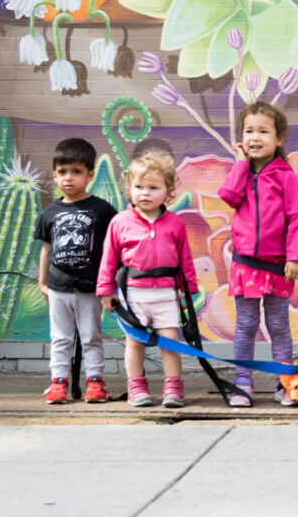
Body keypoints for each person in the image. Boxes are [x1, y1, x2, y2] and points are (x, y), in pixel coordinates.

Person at [218, 102, 298, 408]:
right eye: (249, 131)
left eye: (263, 131)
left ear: (279, 138)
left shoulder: (287, 178)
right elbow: (229, 196)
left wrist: (296, 257)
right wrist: (240, 164)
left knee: (279, 325)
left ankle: (285, 383)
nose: (255, 137)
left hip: (278, 267)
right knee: (245, 326)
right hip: (245, 266)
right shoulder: (240, 173)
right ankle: (242, 382)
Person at [96, 152, 198, 408]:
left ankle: (173, 388)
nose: (145, 193)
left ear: (168, 191)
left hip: (166, 294)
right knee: (135, 342)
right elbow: (108, 257)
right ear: (129, 188)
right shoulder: (120, 222)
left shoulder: (175, 224)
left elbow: (185, 259)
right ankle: (137, 387)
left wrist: (190, 289)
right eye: (139, 187)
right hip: (134, 295)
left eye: (153, 187)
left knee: (170, 342)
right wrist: (106, 289)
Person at [34, 138, 117, 404]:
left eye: (76, 172)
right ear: (54, 175)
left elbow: (112, 250)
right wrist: (43, 282)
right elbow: (47, 249)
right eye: (62, 172)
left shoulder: (102, 210)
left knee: (91, 336)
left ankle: (95, 381)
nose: (68, 178)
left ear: (90, 174)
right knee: (60, 338)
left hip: (90, 288)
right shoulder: (50, 212)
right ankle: (58, 382)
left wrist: (110, 284)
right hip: (59, 288)